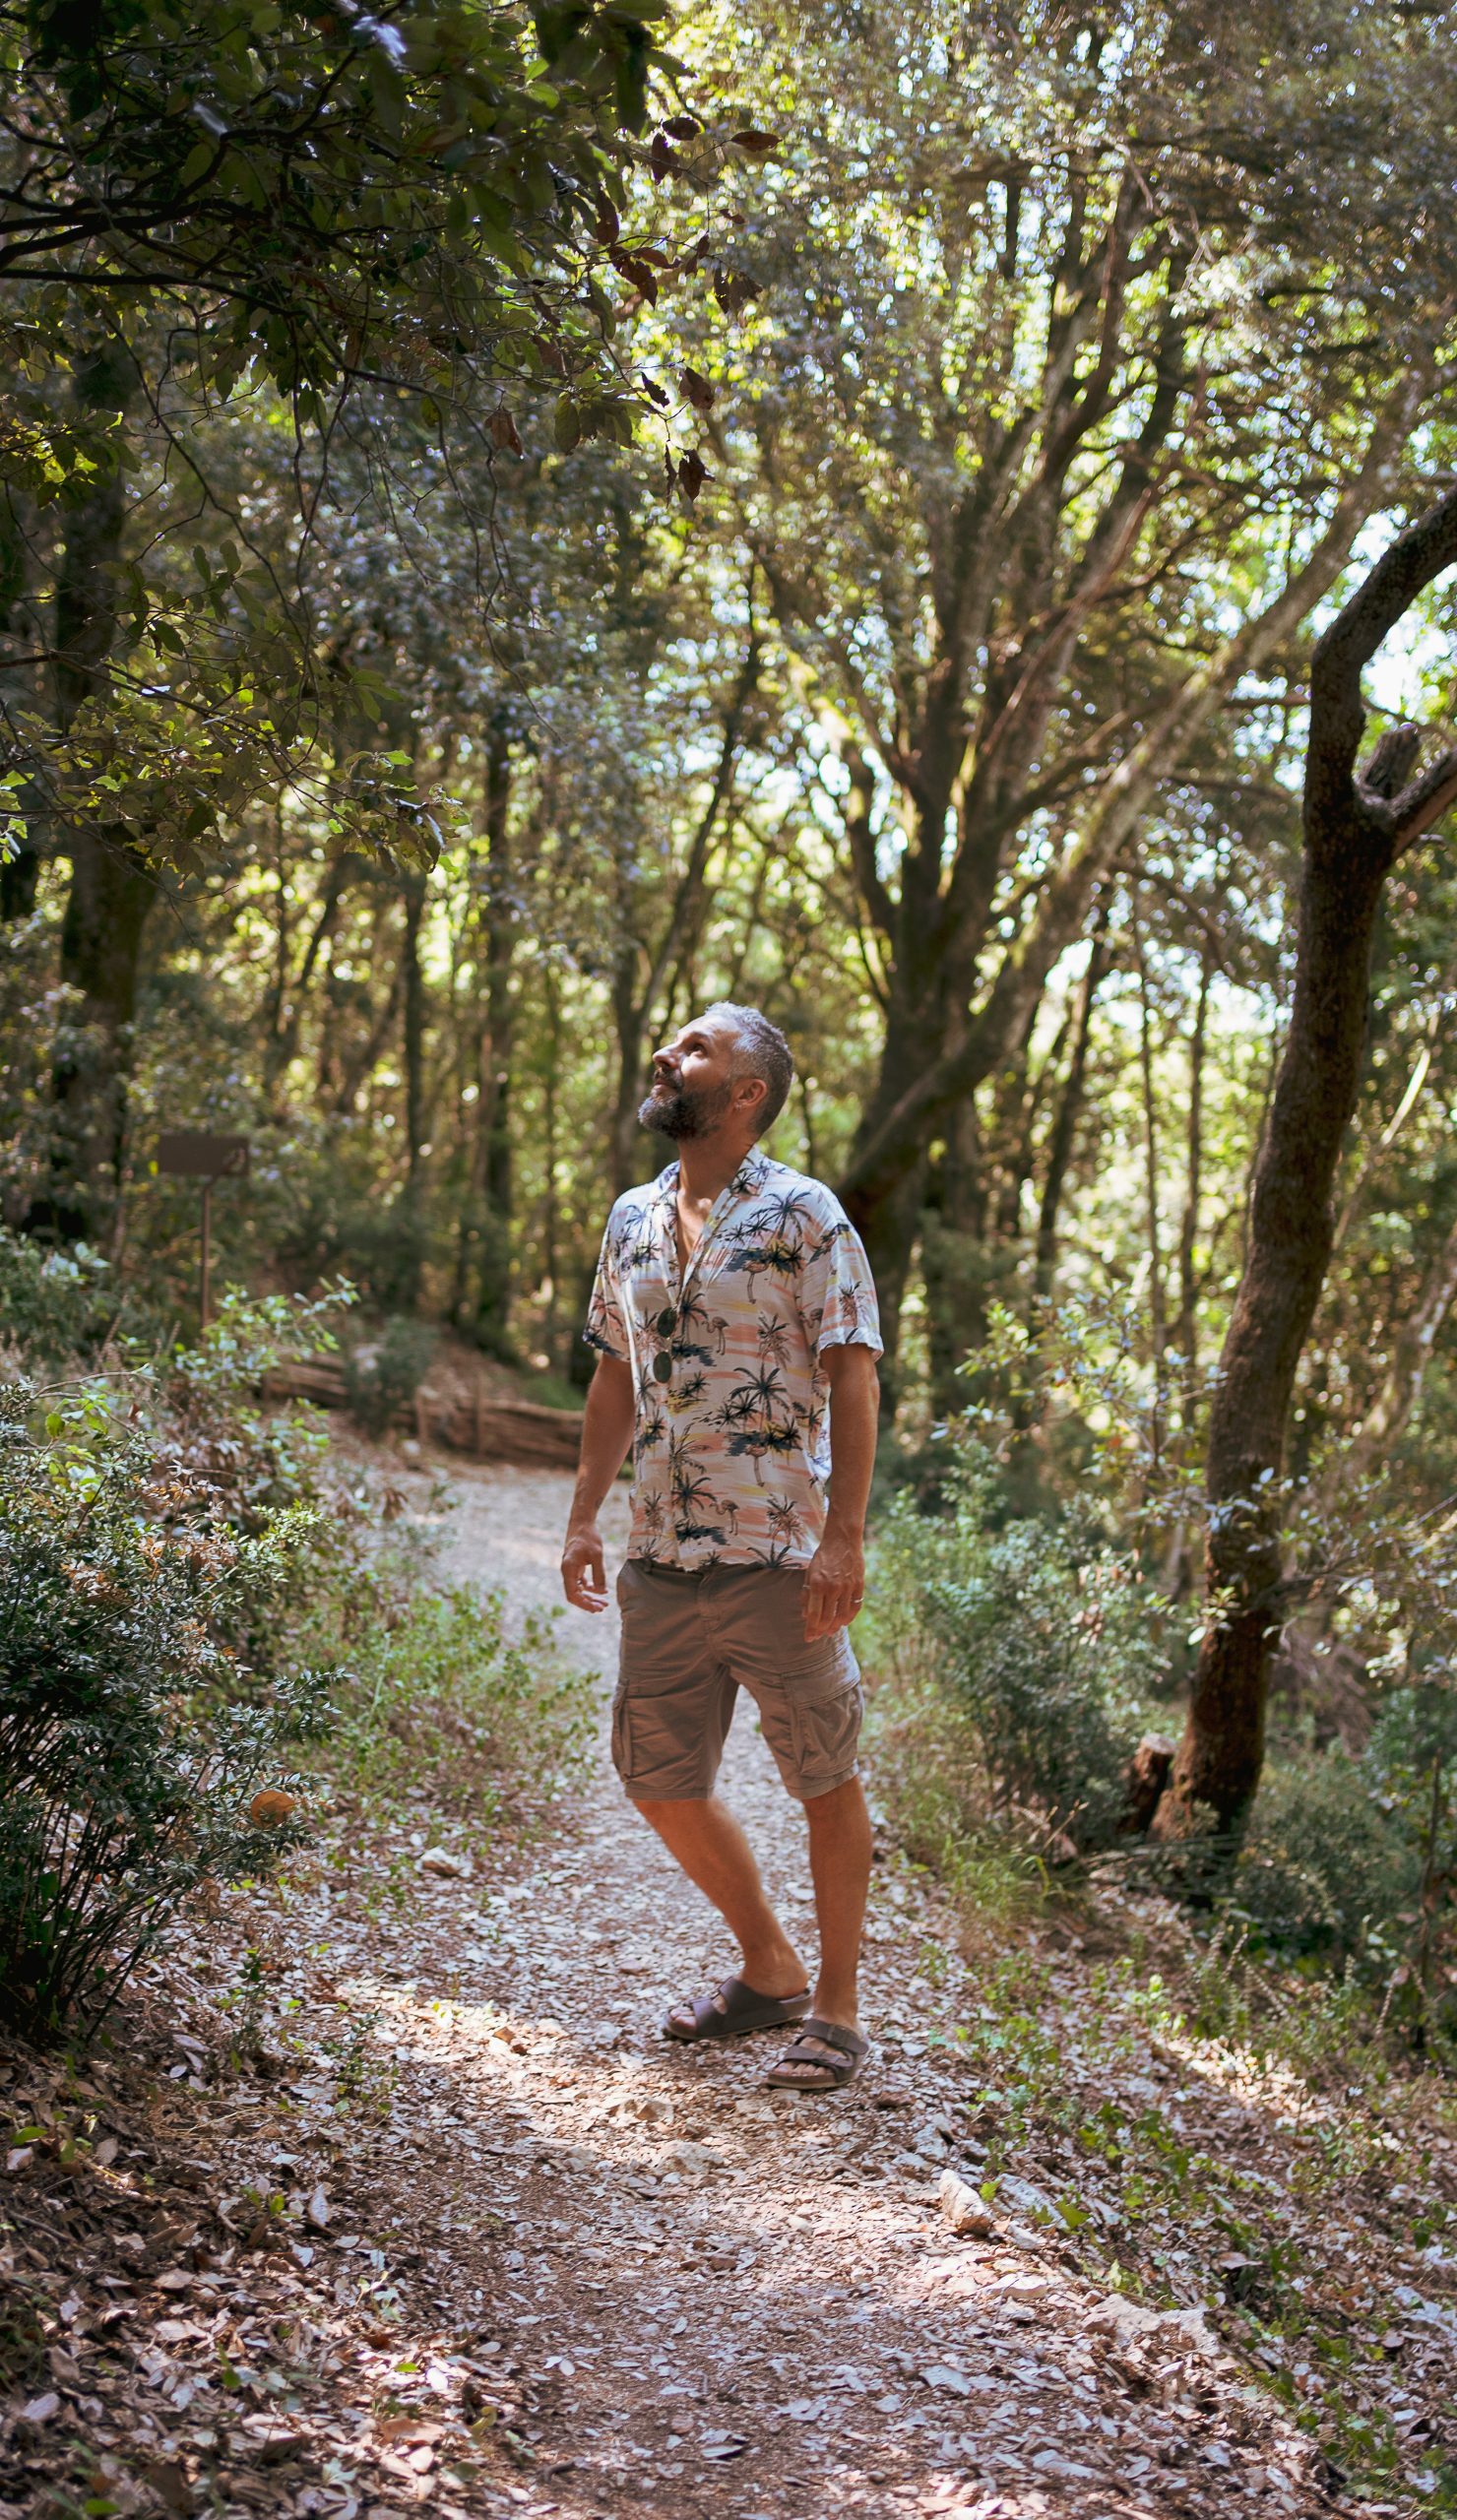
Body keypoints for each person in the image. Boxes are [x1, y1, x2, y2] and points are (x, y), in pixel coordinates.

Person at [560, 1002, 883, 2092]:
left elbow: (854, 1370)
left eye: (696, 1047)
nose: (669, 1054)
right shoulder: (632, 1218)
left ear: (746, 1093)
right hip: (661, 1556)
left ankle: (835, 2010)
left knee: (822, 1776)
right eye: (674, 1042)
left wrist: (844, 1540)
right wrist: (580, 1517)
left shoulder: (805, 1216)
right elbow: (614, 1373)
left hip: (781, 1559)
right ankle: (769, 1965)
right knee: (656, 1777)